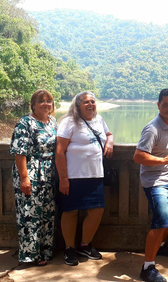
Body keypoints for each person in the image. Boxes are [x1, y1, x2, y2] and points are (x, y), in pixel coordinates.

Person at [134, 88, 168, 282]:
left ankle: (160, 244)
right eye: (166, 104)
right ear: (158, 105)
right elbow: (138, 156)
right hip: (155, 183)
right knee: (160, 220)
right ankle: (147, 267)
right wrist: (164, 159)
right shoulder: (152, 129)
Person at [55, 91, 114, 266]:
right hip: (74, 176)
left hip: (95, 175)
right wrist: (63, 179)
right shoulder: (69, 122)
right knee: (71, 212)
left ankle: (85, 244)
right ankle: (69, 248)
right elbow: (59, 151)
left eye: (93, 102)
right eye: (86, 102)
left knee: (97, 211)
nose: (91, 105)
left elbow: (108, 134)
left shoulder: (99, 119)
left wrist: (109, 142)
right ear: (78, 105)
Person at [9, 89, 57, 266]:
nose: (46, 104)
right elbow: (19, 153)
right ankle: (30, 254)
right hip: (31, 171)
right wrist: (24, 178)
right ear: (33, 104)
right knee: (29, 212)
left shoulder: (53, 122)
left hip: (49, 172)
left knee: (47, 213)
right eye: (41, 101)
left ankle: (45, 251)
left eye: (49, 101)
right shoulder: (25, 123)